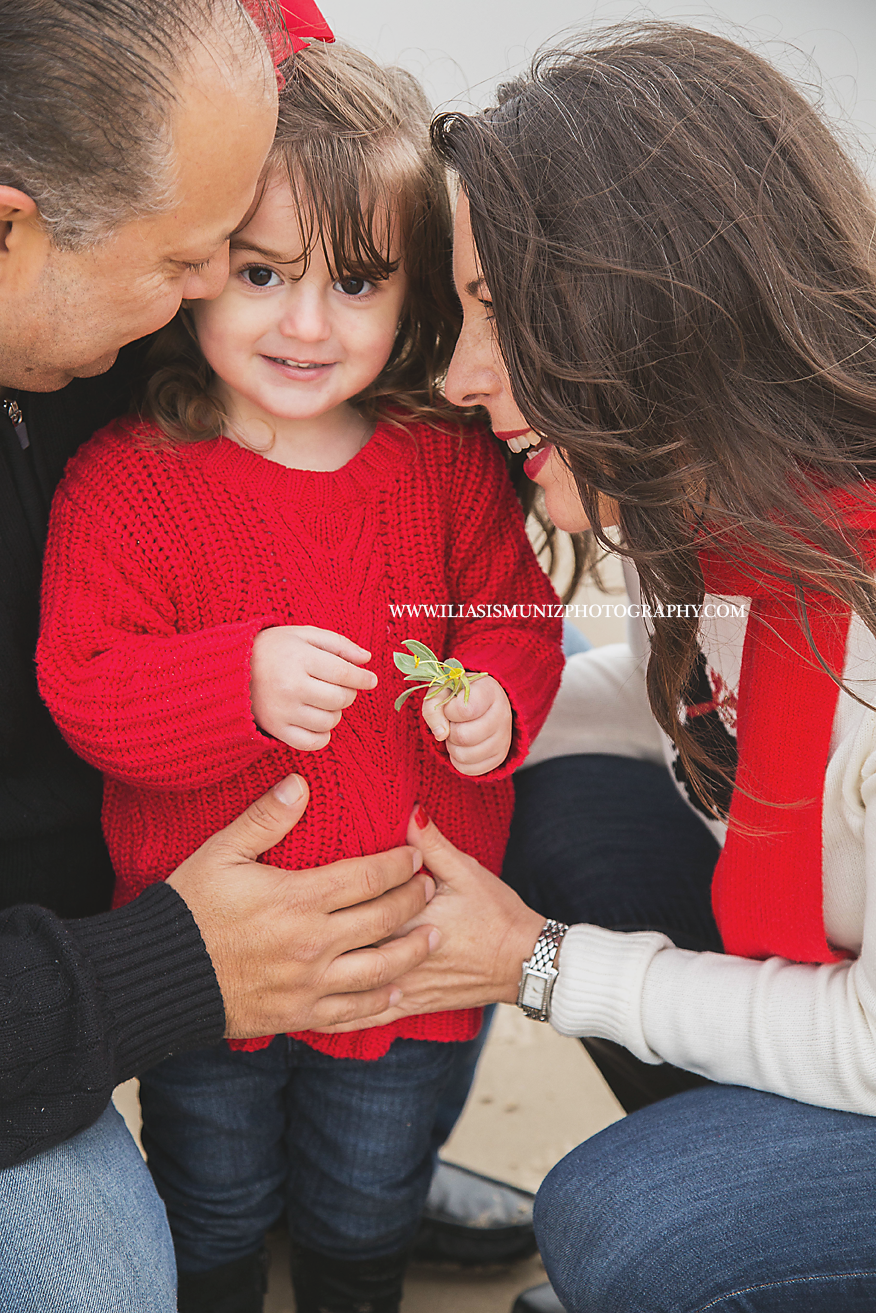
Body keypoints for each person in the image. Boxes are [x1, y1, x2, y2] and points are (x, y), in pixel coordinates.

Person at [326, 22, 876, 1313]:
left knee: (622, 1216)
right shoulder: (749, 511)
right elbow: (666, 694)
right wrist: (419, 725)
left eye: (500, 315)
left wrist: (536, 961)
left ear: (660, 299)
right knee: (554, 785)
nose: (461, 376)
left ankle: (743, 1237)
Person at [36, 41, 564, 1313]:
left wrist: (494, 693)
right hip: (211, 965)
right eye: (263, 274)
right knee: (210, 1196)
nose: (307, 323)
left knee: (367, 1194)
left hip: (410, 952)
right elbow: (88, 686)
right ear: (201, 267)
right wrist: (238, 684)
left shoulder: (444, 467)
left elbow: (518, 615)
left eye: (359, 281)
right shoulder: (129, 477)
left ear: (420, 293)